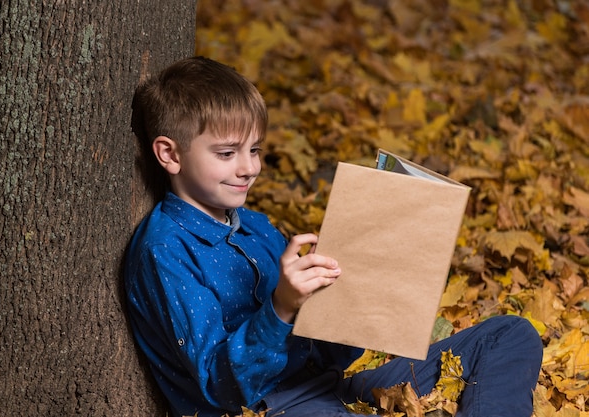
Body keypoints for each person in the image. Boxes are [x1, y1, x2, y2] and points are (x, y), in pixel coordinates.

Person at [124, 56, 543, 417]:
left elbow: (327, 355)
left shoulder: (254, 226)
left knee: (509, 334)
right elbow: (220, 389)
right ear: (170, 154)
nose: (248, 168)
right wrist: (282, 308)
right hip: (270, 408)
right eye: (227, 153)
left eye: (255, 150)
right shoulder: (166, 250)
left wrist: (353, 297)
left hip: (327, 391)